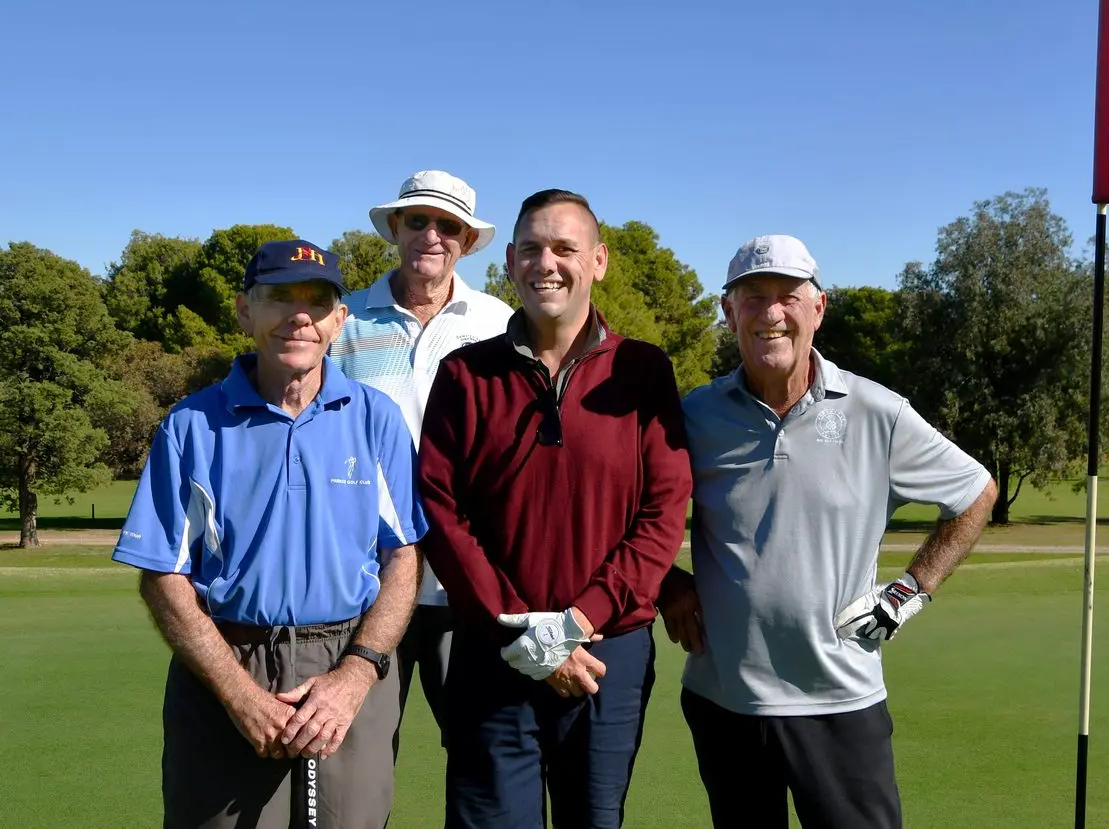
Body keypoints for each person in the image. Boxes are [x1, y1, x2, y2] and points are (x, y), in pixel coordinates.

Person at [659, 234, 997, 829]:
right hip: (724, 701)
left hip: (840, 702)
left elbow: (974, 492)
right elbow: (634, 509)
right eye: (753, 297)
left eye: (789, 296)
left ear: (818, 308)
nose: (771, 313)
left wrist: (911, 590)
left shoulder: (877, 412)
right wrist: (667, 581)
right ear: (727, 311)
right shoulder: (696, 415)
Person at [112, 240, 426, 829]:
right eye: (279, 296)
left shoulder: (375, 417)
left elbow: (403, 558)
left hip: (347, 659)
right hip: (227, 663)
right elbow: (161, 575)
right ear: (244, 311)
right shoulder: (191, 425)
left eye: (317, 299)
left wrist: (356, 675)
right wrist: (238, 693)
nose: (299, 314)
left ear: (340, 318)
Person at [416, 189, 692, 829]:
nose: (548, 263)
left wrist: (575, 622)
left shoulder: (643, 370)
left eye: (565, 248)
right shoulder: (464, 373)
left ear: (598, 261)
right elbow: (440, 507)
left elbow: (661, 512)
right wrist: (518, 625)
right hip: (493, 650)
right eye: (533, 249)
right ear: (510, 261)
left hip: (607, 652)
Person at [329, 169, 513, 750]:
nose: (431, 235)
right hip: (363, 579)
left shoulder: (501, 325)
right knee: (358, 756)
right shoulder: (343, 321)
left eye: (447, 225)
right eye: (417, 220)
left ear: (465, 240)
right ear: (395, 229)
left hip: (467, 578)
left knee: (479, 754)